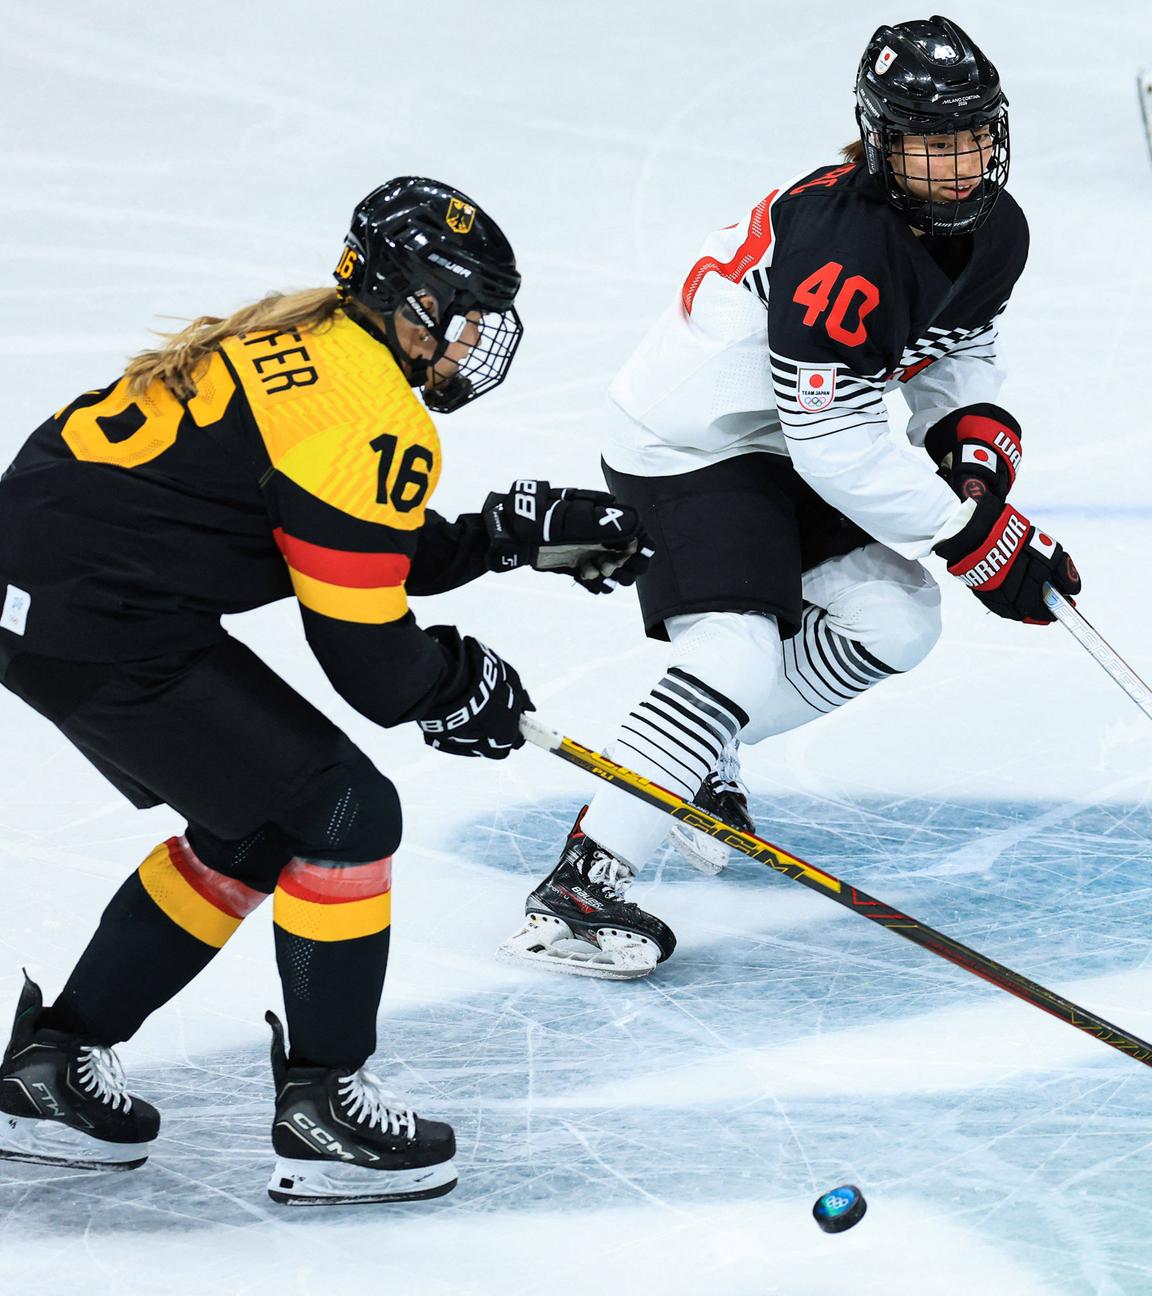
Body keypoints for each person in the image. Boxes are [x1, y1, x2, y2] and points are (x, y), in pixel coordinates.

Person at [0, 177, 650, 1203]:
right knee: (347, 813)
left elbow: (342, 539)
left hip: (62, 601)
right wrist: (456, 685)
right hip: (102, 620)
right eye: (462, 314)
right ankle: (323, 1109)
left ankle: (51, 1071)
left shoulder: (304, 337)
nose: (470, 341)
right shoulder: (366, 410)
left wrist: (500, 538)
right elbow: (368, 661)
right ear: (412, 300)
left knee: (257, 825)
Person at [498, 15, 1081, 980]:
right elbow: (834, 441)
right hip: (689, 444)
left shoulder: (995, 229)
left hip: (780, 447)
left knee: (897, 620)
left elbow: (957, 346)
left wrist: (971, 455)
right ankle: (579, 888)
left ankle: (687, 757)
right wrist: (969, 535)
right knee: (735, 647)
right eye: (934, 142)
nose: (963, 162)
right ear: (883, 142)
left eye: (976, 134)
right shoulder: (841, 250)